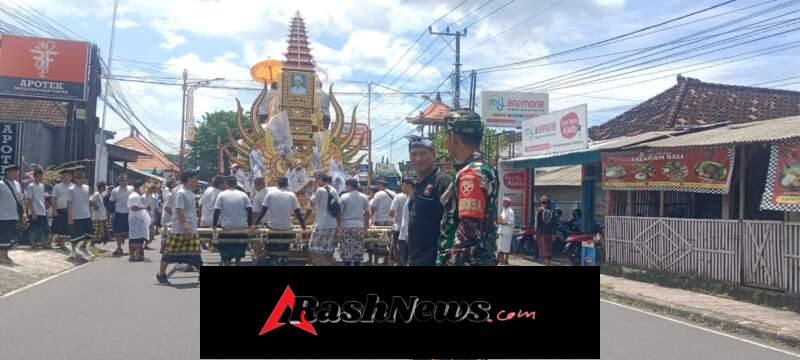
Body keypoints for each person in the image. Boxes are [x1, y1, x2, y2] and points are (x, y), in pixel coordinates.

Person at [438, 109, 499, 266]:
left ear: (454, 137)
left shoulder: (471, 175)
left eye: (446, 135)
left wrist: (451, 262)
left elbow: (468, 233)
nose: (445, 141)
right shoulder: (480, 169)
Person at [406, 136, 451, 266]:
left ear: (434, 155)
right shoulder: (417, 186)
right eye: (414, 154)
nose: (418, 159)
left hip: (434, 259)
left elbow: (451, 225)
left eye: (423, 154)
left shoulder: (442, 182)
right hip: (415, 258)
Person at [157, 170, 202, 285]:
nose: (196, 181)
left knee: (196, 253)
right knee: (170, 253)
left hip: (191, 227)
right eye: (194, 178)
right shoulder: (181, 192)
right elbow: (179, 210)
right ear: (188, 179)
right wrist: (185, 226)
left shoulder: (189, 192)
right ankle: (161, 274)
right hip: (180, 229)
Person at [255, 176, 307, 265]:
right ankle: (284, 258)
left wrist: (254, 224)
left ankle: (273, 258)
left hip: (273, 226)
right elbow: (298, 213)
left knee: (271, 241)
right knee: (287, 238)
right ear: (287, 185)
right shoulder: (291, 195)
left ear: (277, 184)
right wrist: (303, 227)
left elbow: (263, 211)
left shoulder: (270, 195)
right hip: (287, 226)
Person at [212, 177, 253, 266]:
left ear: (226, 184)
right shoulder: (243, 195)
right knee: (239, 247)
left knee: (225, 247)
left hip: (227, 227)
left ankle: (227, 262)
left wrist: (214, 225)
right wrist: (250, 224)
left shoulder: (221, 195)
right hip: (241, 226)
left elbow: (216, 210)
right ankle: (237, 263)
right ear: (236, 184)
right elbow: (249, 209)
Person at [306, 172, 338, 266]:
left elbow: (311, 205)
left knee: (313, 249)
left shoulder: (320, 190)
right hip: (332, 223)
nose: (315, 182)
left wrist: (304, 220)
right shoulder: (334, 190)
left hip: (322, 224)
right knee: (326, 250)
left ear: (320, 179)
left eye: (316, 180)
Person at [338, 178, 369, 266]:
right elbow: (367, 213)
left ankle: (347, 264)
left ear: (349, 186)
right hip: (359, 226)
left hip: (346, 225)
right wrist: (366, 226)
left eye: (346, 186)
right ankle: (356, 264)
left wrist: (338, 226)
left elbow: (339, 213)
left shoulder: (344, 197)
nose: (346, 188)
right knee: (358, 247)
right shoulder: (364, 197)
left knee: (346, 247)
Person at [66, 171, 93, 260]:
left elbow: (88, 201)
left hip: (86, 214)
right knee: (75, 235)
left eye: (83, 178)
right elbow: (69, 203)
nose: (81, 180)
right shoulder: (71, 189)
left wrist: (90, 213)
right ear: (75, 179)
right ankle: (73, 251)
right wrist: (70, 216)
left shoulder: (87, 188)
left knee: (89, 234)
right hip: (76, 215)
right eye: (79, 178)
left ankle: (84, 246)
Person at [0, 165, 24, 264]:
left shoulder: (17, 184)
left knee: (10, 236)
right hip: (3, 216)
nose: (17, 174)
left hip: (14, 215)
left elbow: (20, 200)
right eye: (14, 172)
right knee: (3, 236)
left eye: (17, 171)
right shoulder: (1, 184)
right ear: (8, 173)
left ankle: (5, 254)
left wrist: (24, 213)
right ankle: (1, 256)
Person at [389, 179, 412, 266]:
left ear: (409, 185)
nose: (401, 187)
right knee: (404, 257)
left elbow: (391, 212)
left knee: (400, 256)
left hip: (402, 231)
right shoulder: (409, 197)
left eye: (403, 185)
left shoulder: (400, 197)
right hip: (404, 231)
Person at [110, 174, 134, 256]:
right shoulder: (115, 191)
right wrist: (110, 212)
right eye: (122, 181)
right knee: (117, 233)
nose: (124, 182)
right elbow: (111, 202)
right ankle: (119, 247)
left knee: (129, 232)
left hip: (129, 213)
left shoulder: (131, 189)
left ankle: (132, 248)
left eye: (126, 180)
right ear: (119, 181)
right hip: (119, 213)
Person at [127, 180, 151, 262]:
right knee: (137, 237)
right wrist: (145, 207)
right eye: (143, 187)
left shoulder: (136, 195)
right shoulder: (135, 196)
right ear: (139, 187)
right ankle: (136, 255)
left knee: (134, 237)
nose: (143, 189)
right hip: (136, 219)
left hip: (135, 218)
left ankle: (133, 256)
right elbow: (134, 208)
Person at [25, 168, 49, 250]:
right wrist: (33, 211)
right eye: (39, 176)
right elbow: (29, 199)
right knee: (34, 228)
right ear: (35, 176)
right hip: (34, 210)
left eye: (42, 176)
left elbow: (42, 198)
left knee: (43, 227)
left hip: (42, 210)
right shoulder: (31, 186)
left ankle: (43, 243)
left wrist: (45, 208)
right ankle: (33, 243)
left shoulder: (42, 186)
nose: (41, 177)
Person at [51, 171, 73, 250]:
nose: (66, 177)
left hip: (70, 210)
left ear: (71, 177)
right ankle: (53, 241)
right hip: (59, 209)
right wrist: (54, 210)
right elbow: (53, 198)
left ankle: (62, 243)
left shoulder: (73, 187)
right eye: (65, 176)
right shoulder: (57, 186)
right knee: (57, 227)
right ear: (62, 177)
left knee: (66, 228)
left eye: (68, 176)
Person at [535, 195, 558, 266]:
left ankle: (547, 264)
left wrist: (535, 233)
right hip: (550, 233)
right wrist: (554, 234)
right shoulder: (552, 211)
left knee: (544, 250)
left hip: (542, 233)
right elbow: (554, 224)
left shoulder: (539, 210)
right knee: (548, 249)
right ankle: (548, 263)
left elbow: (537, 223)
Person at [160, 178, 178, 254]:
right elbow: (167, 207)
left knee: (166, 236)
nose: (176, 184)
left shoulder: (170, 193)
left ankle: (164, 250)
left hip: (168, 217)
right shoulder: (170, 194)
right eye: (174, 183)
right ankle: (164, 250)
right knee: (166, 236)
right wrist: (175, 215)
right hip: (167, 218)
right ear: (171, 184)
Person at [89, 181, 107, 254]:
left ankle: (93, 245)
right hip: (97, 216)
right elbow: (90, 201)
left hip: (101, 216)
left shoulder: (100, 194)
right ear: (101, 187)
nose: (105, 188)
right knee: (96, 232)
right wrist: (95, 206)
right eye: (104, 186)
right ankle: (91, 245)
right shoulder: (96, 194)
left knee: (99, 232)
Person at [497, 197, 515, 266]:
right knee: (501, 247)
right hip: (502, 231)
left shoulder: (510, 211)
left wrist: (502, 222)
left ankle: (505, 261)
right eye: (503, 202)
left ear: (508, 203)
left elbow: (511, 222)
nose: (503, 203)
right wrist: (500, 221)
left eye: (505, 202)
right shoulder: (503, 210)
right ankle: (502, 260)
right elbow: (501, 219)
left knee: (506, 248)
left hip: (507, 232)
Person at [144, 182, 160, 250]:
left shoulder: (154, 197)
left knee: (150, 231)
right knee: (145, 230)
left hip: (151, 215)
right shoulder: (143, 196)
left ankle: (146, 244)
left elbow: (156, 208)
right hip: (144, 215)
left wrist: (156, 216)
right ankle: (144, 244)